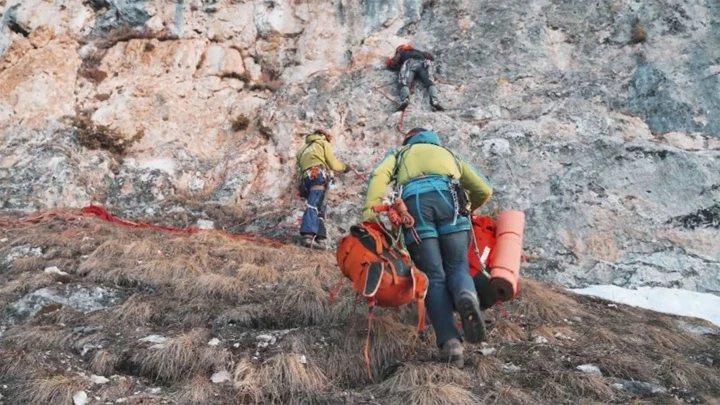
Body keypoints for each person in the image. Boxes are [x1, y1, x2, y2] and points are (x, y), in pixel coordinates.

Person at [362, 128, 493, 367]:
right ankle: (466, 295)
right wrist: (469, 209)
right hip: (451, 203)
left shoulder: (400, 154)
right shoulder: (449, 155)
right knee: (458, 268)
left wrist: (370, 212)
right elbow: (484, 189)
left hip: (415, 207)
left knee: (434, 276)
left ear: (408, 140)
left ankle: (451, 344)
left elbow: (379, 175)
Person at [296, 129, 351, 250]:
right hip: (317, 175)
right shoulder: (322, 143)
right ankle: (308, 236)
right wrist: (344, 167)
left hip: (305, 180)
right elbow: (332, 163)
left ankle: (320, 237)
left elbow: (298, 169)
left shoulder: (302, 150)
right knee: (314, 204)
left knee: (319, 205)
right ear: (323, 135)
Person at [386, 44, 444, 112]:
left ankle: (405, 99)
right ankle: (435, 101)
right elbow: (431, 57)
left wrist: (390, 64)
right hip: (424, 64)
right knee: (430, 83)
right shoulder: (421, 52)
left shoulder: (401, 52)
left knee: (404, 82)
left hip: (410, 63)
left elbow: (394, 61)